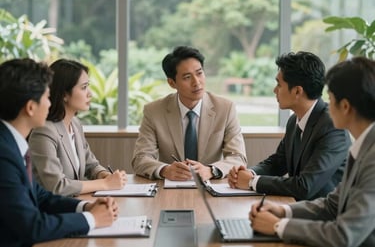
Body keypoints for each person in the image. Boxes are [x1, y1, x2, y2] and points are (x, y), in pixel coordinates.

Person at [249, 56, 375, 247]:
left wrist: (278, 226)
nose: (326, 104)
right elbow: (332, 205)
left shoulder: (371, 158)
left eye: (330, 98)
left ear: (345, 107)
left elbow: (343, 235)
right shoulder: (363, 148)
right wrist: (283, 211)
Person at [0, 58, 119, 247]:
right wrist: (91, 219)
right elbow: (32, 226)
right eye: (47, 97)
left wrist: (86, 207)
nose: (50, 103)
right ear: (31, 107)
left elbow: (41, 196)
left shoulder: (11, 144)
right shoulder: (4, 155)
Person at [228, 51, 351, 200]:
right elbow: (278, 162)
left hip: (325, 217)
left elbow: (305, 186)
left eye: (279, 84)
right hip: (299, 209)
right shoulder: (294, 121)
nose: (275, 90)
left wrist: (251, 182)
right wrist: (250, 173)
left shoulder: (332, 126)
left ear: (297, 91)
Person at [132, 46, 247, 181]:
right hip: (170, 189)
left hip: (211, 187)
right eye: (187, 77)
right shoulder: (154, 111)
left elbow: (238, 158)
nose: (196, 82)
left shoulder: (225, 109)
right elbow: (140, 158)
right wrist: (164, 170)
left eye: (199, 73)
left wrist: (211, 170)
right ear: (171, 83)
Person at [28, 59, 127, 196]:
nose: (90, 93)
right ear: (64, 94)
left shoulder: (75, 123)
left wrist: (104, 175)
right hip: (52, 212)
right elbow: (57, 186)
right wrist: (105, 184)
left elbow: (90, 164)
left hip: (76, 204)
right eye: (84, 87)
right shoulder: (44, 131)